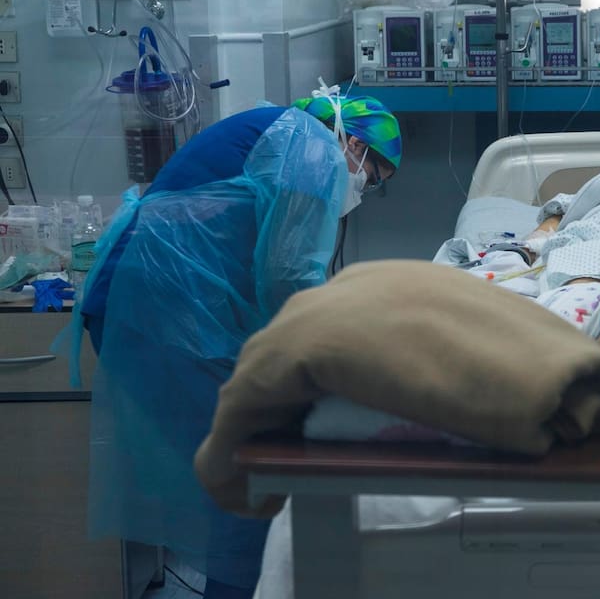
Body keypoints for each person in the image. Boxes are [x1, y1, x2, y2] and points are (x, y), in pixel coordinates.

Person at [68, 91, 402, 599]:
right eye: (373, 178)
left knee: (243, 471)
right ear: (355, 145)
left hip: (158, 306)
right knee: (249, 473)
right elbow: (287, 276)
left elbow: (261, 259)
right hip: (155, 314)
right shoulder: (314, 151)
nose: (365, 189)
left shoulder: (284, 132)